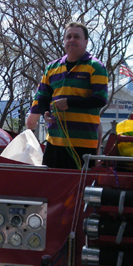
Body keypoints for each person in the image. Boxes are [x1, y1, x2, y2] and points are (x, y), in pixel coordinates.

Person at [25, 22, 108, 169]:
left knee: (78, 188)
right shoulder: (52, 68)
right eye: (68, 36)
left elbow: (100, 99)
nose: (72, 40)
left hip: (83, 143)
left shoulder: (95, 67)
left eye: (77, 36)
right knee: (51, 186)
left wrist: (69, 102)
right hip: (54, 142)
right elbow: (42, 97)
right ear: (64, 41)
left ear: (86, 41)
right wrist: (45, 112)